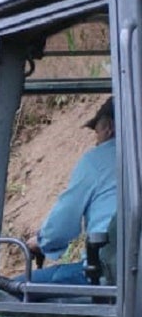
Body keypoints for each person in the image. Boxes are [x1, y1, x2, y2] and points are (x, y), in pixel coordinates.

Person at [26, 97, 118, 284]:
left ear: (109, 127)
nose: (96, 142)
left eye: (97, 133)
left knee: (10, 289)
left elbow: (64, 221)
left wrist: (42, 241)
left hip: (108, 273)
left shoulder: (96, 160)